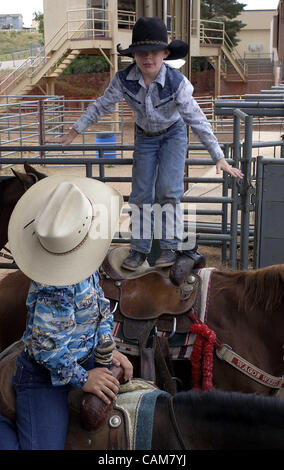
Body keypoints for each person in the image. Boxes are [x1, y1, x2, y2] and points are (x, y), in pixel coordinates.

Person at [46, 16, 244, 271]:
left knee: (168, 191)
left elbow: (196, 118)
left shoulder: (177, 84)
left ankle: (170, 247)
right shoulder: (124, 79)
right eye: (140, 52)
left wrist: (217, 155)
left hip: (173, 134)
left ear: (165, 53)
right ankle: (139, 249)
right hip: (145, 137)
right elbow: (102, 105)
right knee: (141, 194)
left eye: (153, 52)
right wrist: (73, 132)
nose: (147, 58)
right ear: (134, 55)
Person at [0, 175, 133, 450]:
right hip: (44, 376)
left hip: (81, 358)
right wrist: (84, 378)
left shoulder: (85, 263)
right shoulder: (54, 288)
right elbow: (46, 348)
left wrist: (107, 348)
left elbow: (100, 309)